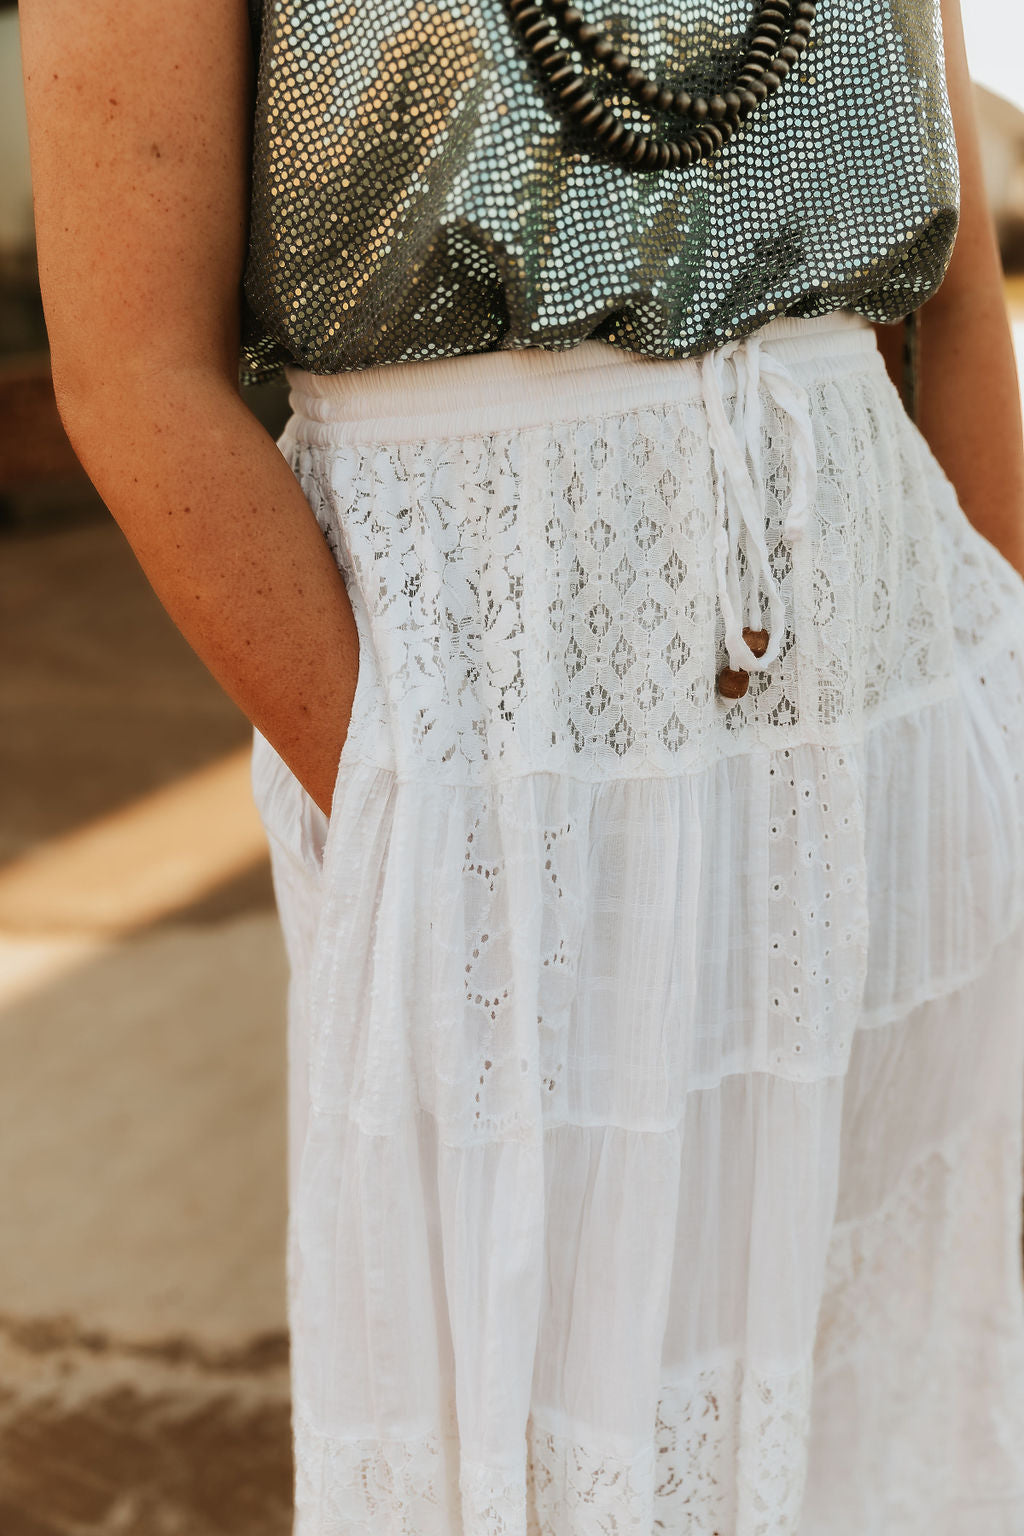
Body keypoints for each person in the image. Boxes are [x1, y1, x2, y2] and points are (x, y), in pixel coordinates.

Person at [19, 0, 1024, 1528]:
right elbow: (133, 372)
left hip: (898, 753)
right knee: (554, 1440)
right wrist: (417, 807)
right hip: (491, 773)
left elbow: (952, 303)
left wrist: (1002, 710)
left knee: (893, 1412)